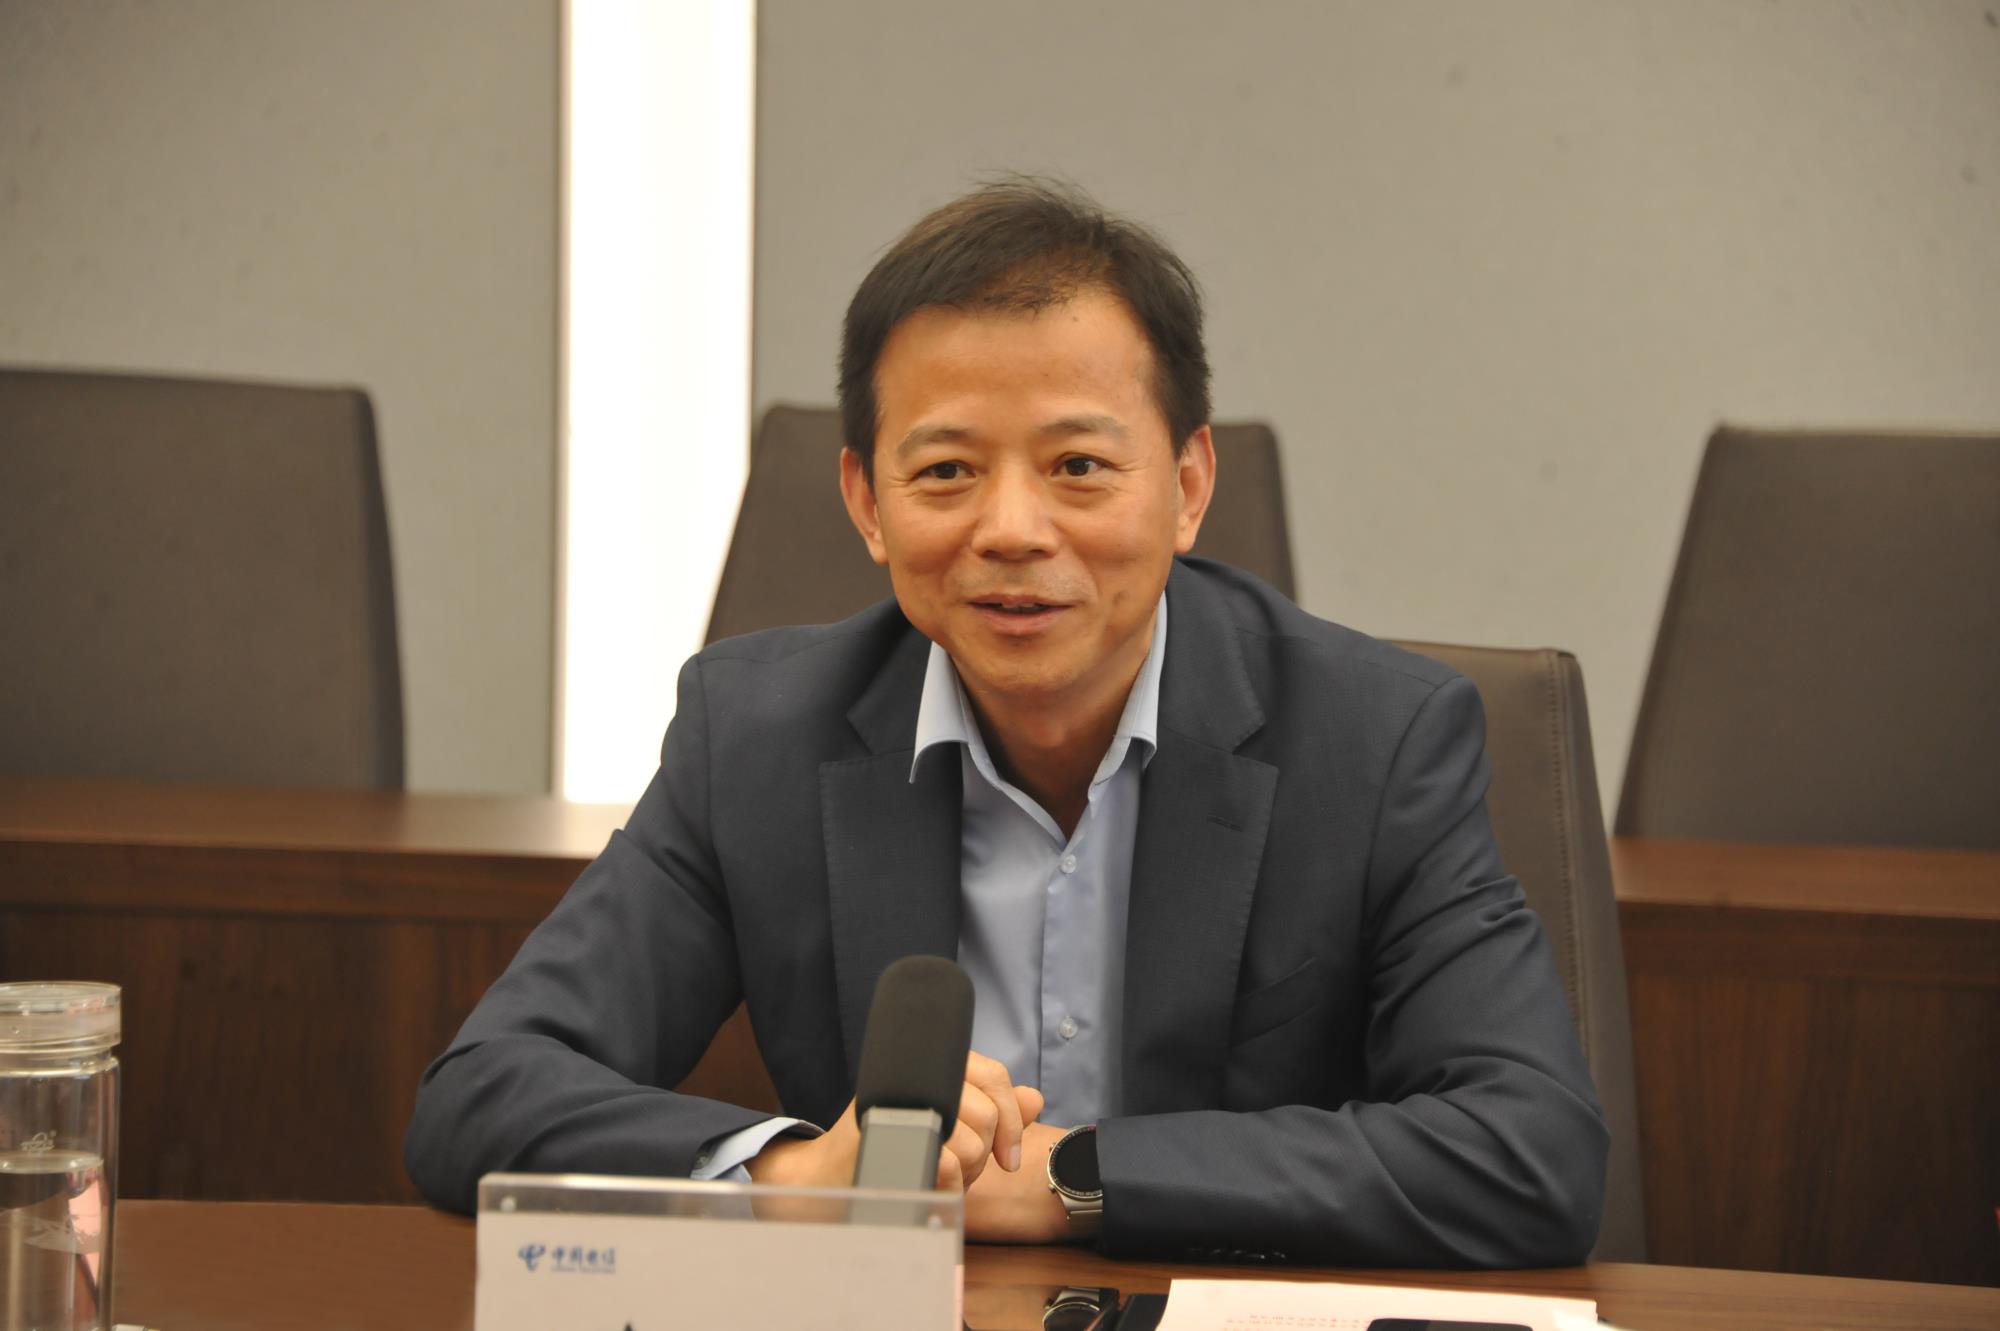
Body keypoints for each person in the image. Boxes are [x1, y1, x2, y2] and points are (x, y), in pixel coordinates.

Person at [405, 179, 1607, 1266]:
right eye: (945, 472)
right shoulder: (756, 735)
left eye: (1077, 465)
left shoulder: (1375, 741)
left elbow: (1529, 1150)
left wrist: (1072, 1180)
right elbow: (482, 1092)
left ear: (1186, 486)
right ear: (865, 501)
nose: (1012, 530)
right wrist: (793, 1176)